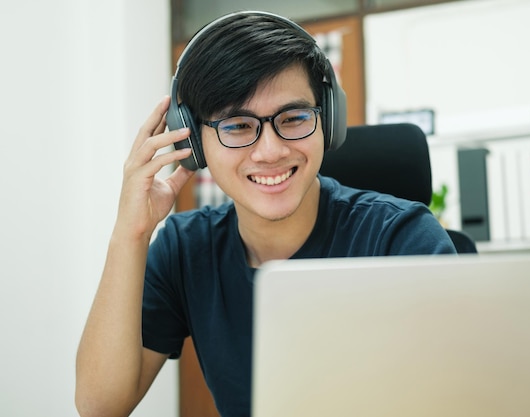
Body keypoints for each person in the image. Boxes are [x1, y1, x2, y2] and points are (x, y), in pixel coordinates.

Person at [75, 10, 456, 417]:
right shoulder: (186, 249)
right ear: (196, 144)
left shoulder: (401, 237)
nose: (270, 151)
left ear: (328, 120)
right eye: (238, 125)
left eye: (293, 118)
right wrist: (130, 232)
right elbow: (100, 407)